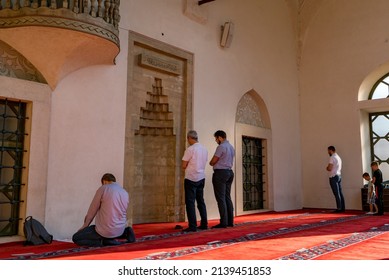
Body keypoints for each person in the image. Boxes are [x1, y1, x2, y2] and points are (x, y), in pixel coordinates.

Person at [72, 173, 135, 246]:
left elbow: (92, 211)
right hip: (120, 229)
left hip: (104, 231)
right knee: (112, 230)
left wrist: (84, 226)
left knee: (76, 237)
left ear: (104, 181)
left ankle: (104, 242)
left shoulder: (103, 189)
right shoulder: (124, 192)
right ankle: (126, 232)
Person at [181, 130, 208, 232]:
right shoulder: (204, 149)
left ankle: (192, 226)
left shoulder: (190, 149)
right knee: (201, 201)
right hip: (201, 177)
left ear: (189, 138)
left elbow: (183, 165)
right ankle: (204, 224)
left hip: (191, 178)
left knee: (190, 202)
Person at [209, 130, 235, 228]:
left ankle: (223, 222)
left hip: (220, 173)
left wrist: (211, 163)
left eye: (216, 138)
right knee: (227, 196)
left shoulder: (221, 147)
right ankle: (230, 221)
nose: (216, 140)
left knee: (221, 198)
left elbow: (213, 161)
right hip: (229, 172)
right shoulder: (231, 147)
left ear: (220, 137)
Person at [326, 146, 345, 213]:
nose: (328, 152)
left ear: (331, 150)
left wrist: (327, 168)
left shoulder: (332, 157)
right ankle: (342, 207)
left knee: (336, 193)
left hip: (333, 176)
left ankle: (339, 208)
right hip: (338, 175)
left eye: (328, 151)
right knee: (340, 192)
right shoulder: (338, 157)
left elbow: (330, 168)